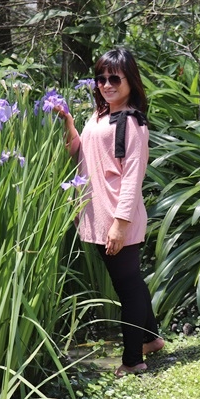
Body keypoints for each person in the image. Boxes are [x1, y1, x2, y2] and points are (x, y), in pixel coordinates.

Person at [54, 47, 164, 377]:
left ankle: (133, 360)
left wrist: (119, 225)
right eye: (101, 78)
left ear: (130, 81)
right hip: (99, 215)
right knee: (130, 281)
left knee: (127, 287)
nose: (106, 84)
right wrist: (70, 123)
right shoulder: (100, 116)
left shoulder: (131, 123)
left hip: (118, 218)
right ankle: (150, 339)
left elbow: (133, 176)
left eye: (114, 78)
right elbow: (81, 152)